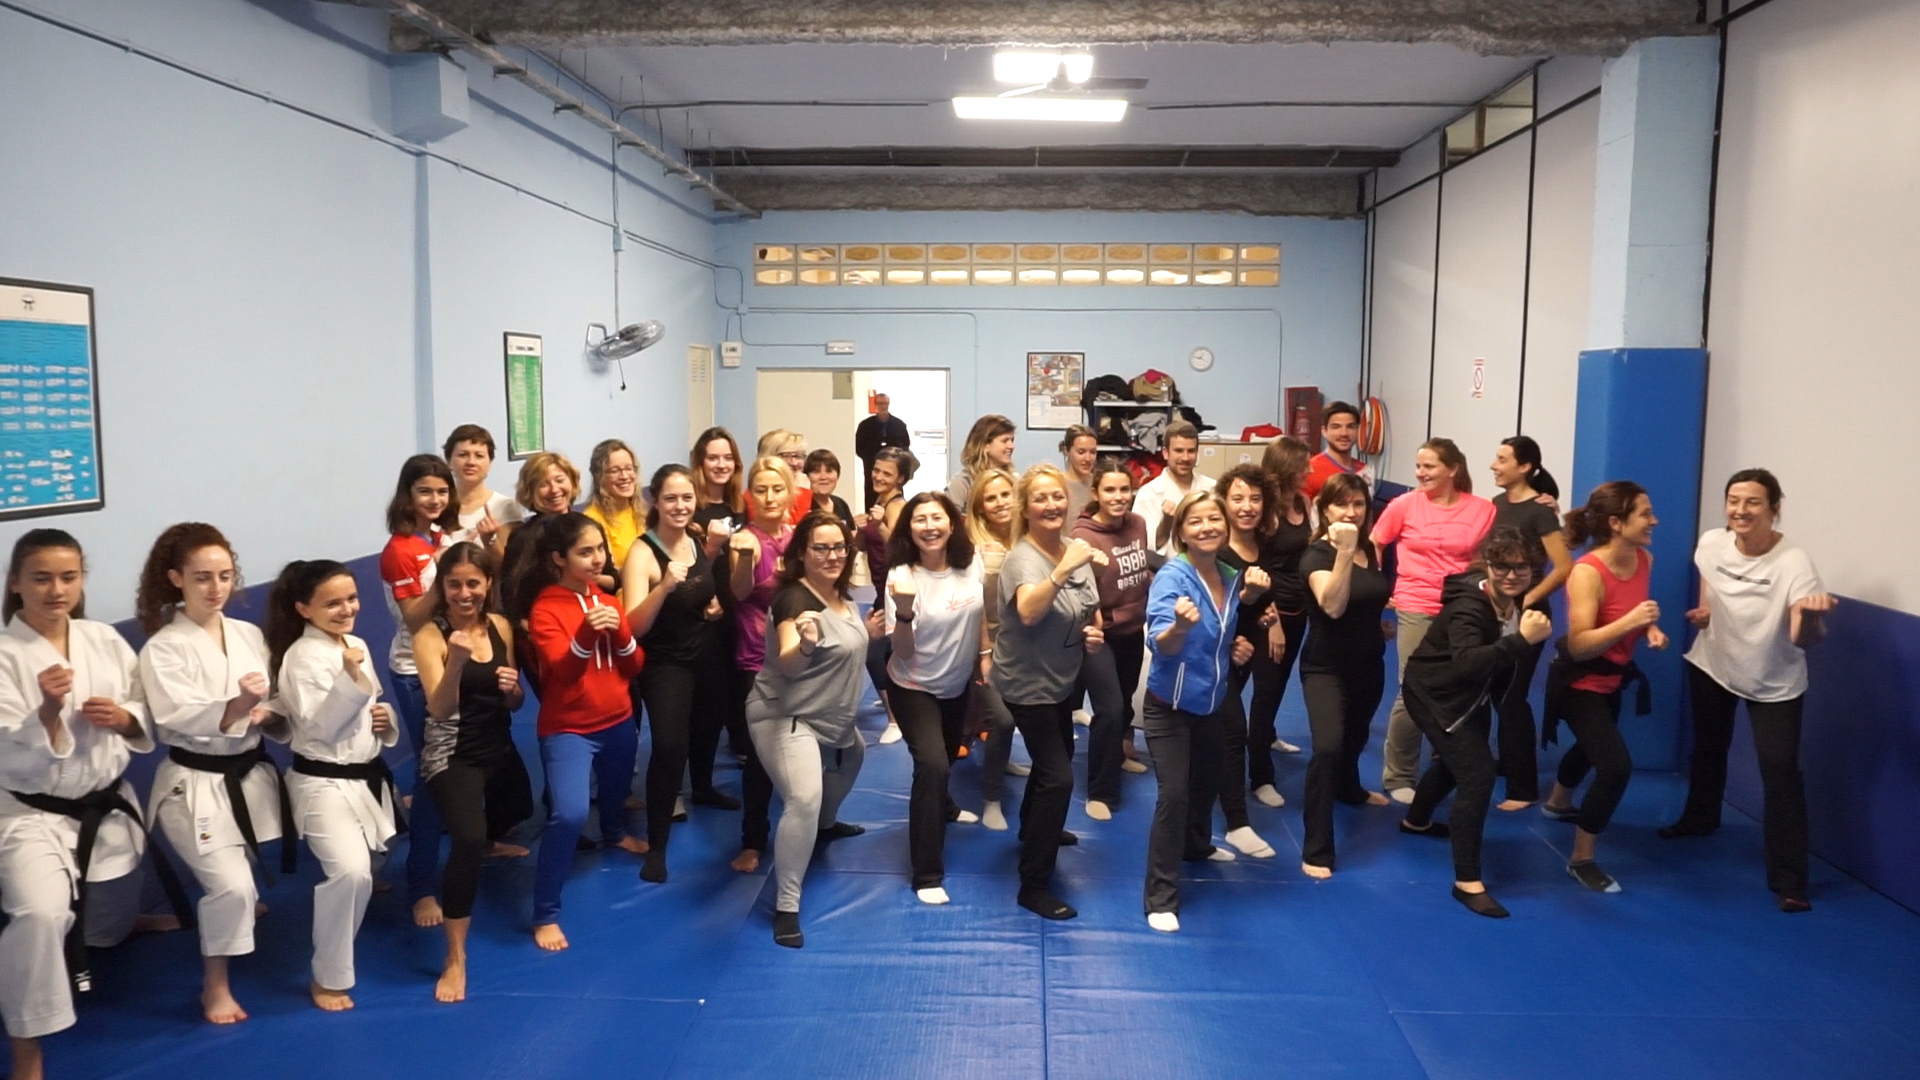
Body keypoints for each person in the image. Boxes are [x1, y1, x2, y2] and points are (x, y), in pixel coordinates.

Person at [1, 530, 161, 1080]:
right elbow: (7, 747)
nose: (56, 590)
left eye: (68, 577)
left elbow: (142, 702)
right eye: (41, 578)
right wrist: (47, 712)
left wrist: (126, 718)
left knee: (107, 925)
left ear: (82, 581)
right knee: (40, 915)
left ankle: (123, 922)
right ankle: (27, 1048)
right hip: (31, 814)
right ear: (15, 583)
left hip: (105, 804)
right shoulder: (5, 654)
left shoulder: (102, 639)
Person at [136, 523, 290, 1025]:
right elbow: (174, 716)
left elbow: (274, 699)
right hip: (195, 784)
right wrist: (239, 705)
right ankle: (215, 985)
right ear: (176, 578)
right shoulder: (162, 648)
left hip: (246, 773)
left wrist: (267, 711)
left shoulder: (247, 634)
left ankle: (236, 905)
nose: (216, 587)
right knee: (232, 888)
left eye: (224, 576)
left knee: (239, 875)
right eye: (202, 577)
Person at [1666, 469, 1833, 913]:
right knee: (1708, 748)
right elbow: (1711, 580)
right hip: (1714, 663)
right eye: (1734, 500)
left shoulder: (1794, 563)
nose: (1740, 510)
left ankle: (1789, 880)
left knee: (1780, 773)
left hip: (1773, 680)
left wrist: (1812, 617)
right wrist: (1705, 611)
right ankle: (1699, 818)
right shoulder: (1712, 543)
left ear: (1774, 509)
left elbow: (1803, 639)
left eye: (1753, 502)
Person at [1398, 528, 1556, 918]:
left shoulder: (1515, 602)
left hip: (1468, 693)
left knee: (1459, 761)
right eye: (1502, 566)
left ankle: (1416, 821)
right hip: (1433, 694)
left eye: (1521, 567)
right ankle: (1467, 882)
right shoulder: (1469, 606)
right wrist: (1523, 640)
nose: (1511, 575)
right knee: (1477, 773)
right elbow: (1468, 661)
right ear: (1487, 565)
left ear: (1533, 570)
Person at [267, 558, 400, 1012]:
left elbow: (372, 704)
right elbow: (321, 728)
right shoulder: (300, 658)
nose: (347, 609)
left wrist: (384, 719)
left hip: (363, 775)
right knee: (349, 872)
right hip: (321, 782)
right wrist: (350, 678)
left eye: (352, 599)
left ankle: (367, 878)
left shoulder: (354, 643)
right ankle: (328, 976)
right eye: (332, 603)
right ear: (304, 609)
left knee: (372, 861)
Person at [512, 514, 647, 950]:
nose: (596, 559)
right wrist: (587, 634)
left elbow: (633, 665)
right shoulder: (546, 608)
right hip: (569, 728)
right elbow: (562, 674)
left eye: (600, 549)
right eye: (584, 552)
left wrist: (620, 631)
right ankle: (545, 913)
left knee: (616, 787)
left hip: (618, 718)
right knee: (569, 814)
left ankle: (614, 832)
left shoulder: (606, 599)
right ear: (559, 558)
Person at [749, 512, 884, 947]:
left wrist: (868, 633)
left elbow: (844, 645)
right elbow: (789, 660)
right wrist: (805, 645)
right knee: (804, 797)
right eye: (820, 548)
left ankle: (825, 825)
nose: (831, 555)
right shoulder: (794, 600)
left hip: (830, 715)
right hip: (784, 715)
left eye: (838, 547)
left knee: (854, 756)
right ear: (802, 553)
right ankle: (786, 905)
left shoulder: (842, 596)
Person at [410, 543, 529, 1001]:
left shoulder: (499, 625)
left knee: (519, 808)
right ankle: (455, 956)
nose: (464, 593)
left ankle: (491, 837)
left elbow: (514, 702)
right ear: (442, 587)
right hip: (452, 753)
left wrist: (514, 690)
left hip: (496, 744)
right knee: (468, 839)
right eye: (454, 584)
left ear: (488, 584)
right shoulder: (430, 636)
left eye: (473, 583)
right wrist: (457, 662)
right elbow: (439, 709)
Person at [1141, 490, 1264, 932]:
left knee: (1209, 778)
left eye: (1214, 519)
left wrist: (1235, 646)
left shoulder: (1229, 575)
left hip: (1211, 700)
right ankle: (1160, 897)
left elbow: (1220, 629)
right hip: (1169, 707)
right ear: (1182, 532)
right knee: (1173, 795)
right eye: (1195, 521)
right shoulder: (1173, 577)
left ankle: (1196, 845)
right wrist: (1179, 627)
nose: (1207, 527)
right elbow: (1161, 643)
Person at [1539, 481, 1667, 894]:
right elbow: (1579, 644)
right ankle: (1582, 860)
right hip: (1578, 682)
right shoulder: (1587, 572)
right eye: (1645, 514)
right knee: (1614, 767)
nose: (1654, 521)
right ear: (1616, 523)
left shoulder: (1644, 559)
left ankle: (1557, 803)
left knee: (1589, 746)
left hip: (1613, 677)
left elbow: (1631, 612)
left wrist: (1649, 629)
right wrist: (1633, 622)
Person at [991, 464, 1107, 921]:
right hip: (1027, 683)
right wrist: (1062, 570)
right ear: (1025, 508)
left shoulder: (1071, 548)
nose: (1051, 504)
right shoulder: (1024, 558)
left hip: (1061, 677)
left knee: (1053, 762)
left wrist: (1092, 632)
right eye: (1040, 498)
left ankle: (1033, 827)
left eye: (1057, 496)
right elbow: (1029, 611)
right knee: (1059, 777)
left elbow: (1089, 608)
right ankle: (1033, 885)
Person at [622, 464, 736, 885]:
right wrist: (664, 587)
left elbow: (700, 587)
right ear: (655, 501)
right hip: (665, 662)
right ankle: (657, 846)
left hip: (704, 649)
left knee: (709, 726)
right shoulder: (642, 552)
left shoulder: (694, 539)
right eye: (670, 498)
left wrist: (711, 606)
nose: (680, 506)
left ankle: (702, 787)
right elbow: (634, 626)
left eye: (687, 498)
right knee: (670, 746)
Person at [1371, 438, 1496, 801]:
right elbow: (1375, 541)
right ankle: (1399, 774)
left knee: (1461, 687)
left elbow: (1488, 557)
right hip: (1416, 602)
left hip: (1464, 607)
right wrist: (1378, 587)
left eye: (1429, 467)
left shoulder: (1483, 509)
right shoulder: (1404, 505)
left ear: (1452, 469)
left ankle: (1449, 762)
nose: (1420, 473)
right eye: (1418, 466)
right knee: (1413, 689)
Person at [883, 492, 986, 905]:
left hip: (956, 684)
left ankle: (944, 806)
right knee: (932, 765)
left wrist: (984, 655)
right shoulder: (901, 576)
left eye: (936, 517)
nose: (929, 526)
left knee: (946, 756)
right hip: (914, 686)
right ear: (908, 529)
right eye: (920, 519)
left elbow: (978, 611)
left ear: (952, 523)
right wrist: (904, 610)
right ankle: (926, 875)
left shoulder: (970, 562)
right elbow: (902, 650)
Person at [1297, 474, 1394, 879]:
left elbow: (1372, 595)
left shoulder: (1369, 548)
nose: (1351, 512)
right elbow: (1333, 606)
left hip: (1369, 661)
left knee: (1355, 736)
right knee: (1327, 748)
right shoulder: (1316, 555)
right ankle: (1317, 847)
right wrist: (1344, 551)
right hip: (1325, 667)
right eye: (1341, 504)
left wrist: (1376, 624)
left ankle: (1349, 788)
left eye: (1358, 504)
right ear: (1324, 510)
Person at [378, 455, 458, 924]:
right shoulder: (400, 550)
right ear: (407, 494)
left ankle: (475, 842)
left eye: (442, 491)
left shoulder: (441, 537)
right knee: (432, 777)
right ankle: (421, 885)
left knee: (455, 767)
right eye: (425, 491)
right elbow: (413, 619)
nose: (435, 499)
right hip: (415, 671)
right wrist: (448, 577)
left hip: (451, 662)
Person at [1207, 463, 1288, 859]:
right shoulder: (1216, 551)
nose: (1247, 506)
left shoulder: (1263, 548)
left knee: (1227, 726)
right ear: (1224, 502)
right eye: (1238, 498)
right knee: (1231, 729)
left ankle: (1235, 786)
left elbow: (1261, 602)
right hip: (1216, 655)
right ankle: (1237, 823)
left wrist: (1268, 623)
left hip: (1246, 648)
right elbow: (1217, 612)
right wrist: (1250, 605)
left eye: (1255, 499)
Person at [1488, 436, 1573, 810]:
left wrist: (1530, 599)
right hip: (1499, 610)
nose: (1494, 465)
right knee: (1498, 691)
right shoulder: (1496, 504)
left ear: (1524, 467)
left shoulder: (1540, 511)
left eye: (1502, 459)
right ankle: (1508, 762)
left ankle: (1522, 788)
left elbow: (1564, 566)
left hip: (1528, 614)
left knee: (1512, 696)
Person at [725, 457, 797, 875]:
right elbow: (739, 592)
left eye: (777, 488)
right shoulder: (745, 539)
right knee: (760, 753)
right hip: (758, 657)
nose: (769, 497)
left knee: (810, 741)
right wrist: (743, 560)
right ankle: (752, 840)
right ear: (749, 494)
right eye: (761, 489)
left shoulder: (797, 537)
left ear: (790, 492)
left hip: (802, 653)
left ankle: (818, 819)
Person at [1074, 458, 1153, 822]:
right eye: (1110, 490)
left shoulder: (1137, 524)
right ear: (1096, 492)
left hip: (1133, 629)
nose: (1119, 496)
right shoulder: (1084, 536)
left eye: (1124, 489)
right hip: (1099, 634)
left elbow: (1141, 572)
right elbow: (1076, 589)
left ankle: (1117, 756)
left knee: (1125, 698)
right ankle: (1100, 791)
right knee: (1109, 709)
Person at [966, 468, 1030, 831]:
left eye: (1006, 494)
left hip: (1024, 646)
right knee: (1002, 720)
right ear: (980, 508)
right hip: (988, 646)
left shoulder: (1027, 539)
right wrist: (984, 653)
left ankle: (1001, 760)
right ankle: (992, 799)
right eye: (991, 498)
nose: (1000, 502)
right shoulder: (975, 549)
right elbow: (975, 606)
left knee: (1017, 717)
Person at [864, 446, 915, 745]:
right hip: (880, 587)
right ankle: (895, 699)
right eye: (876, 470)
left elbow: (899, 549)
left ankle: (895, 719)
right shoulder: (880, 501)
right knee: (885, 651)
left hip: (893, 590)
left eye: (887, 473)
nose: (879, 477)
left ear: (901, 479)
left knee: (873, 652)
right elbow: (866, 546)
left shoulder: (895, 506)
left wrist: (880, 525)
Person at [498, 451, 582, 623]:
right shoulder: (524, 537)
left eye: (560, 480)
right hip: (545, 623)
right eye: (543, 484)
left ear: (572, 482)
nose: (554, 490)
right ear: (530, 491)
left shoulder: (586, 526)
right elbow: (512, 595)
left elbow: (611, 578)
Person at [1135, 420, 1215, 556]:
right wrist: (1166, 522)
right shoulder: (1149, 493)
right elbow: (1146, 545)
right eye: (1179, 451)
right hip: (1167, 567)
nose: (1185, 458)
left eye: (1191, 451)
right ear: (1166, 453)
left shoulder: (1212, 487)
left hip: (1206, 564)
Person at [444, 424, 525, 550]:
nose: (471, 462)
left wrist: (489, 541)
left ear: (490, 463)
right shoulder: (438, 505)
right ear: (449, 461)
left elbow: (511, 560)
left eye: (479, 456)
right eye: (463, 455)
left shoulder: (505, 507)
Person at [583, 439, 646, 584]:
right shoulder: (592, 521)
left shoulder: (640, 511)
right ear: (600, 478)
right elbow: (601, 576)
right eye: (615, 471)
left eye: (629, 468)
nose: (625, 476)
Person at [1302, 400, 1375, 500]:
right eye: (1336, 427)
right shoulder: (1309, 470)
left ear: (1358, 430)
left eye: (1351, 427)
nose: (1344, 433)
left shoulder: (1365, 470)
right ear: (1324, 431)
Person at [690, 427, 747, 556]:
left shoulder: (741, 505)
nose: (722, 465)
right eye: (713, 458)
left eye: (728, 458)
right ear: (700, 462)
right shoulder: (690, 507)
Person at [854, 391, 911, 507]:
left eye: (885, 403)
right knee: (871, 501)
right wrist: (871, 459)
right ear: (875, 404)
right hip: (871, 469)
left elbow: (905, 446)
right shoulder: (865, 425)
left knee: (894, 500)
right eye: (880, 403)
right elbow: (859, 448)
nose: (882, 406)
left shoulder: (899, 425)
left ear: (888, 404)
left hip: (893, 469)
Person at [948, 414, 1016, 508]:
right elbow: (951, 516)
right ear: (985, 445)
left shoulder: (1014, 481)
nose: (1011, 446)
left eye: (1012, 440)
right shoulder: (961, 484)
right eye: (1005, 441)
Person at [803, 449, 857, 531]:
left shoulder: (841, 504)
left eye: (829, 471)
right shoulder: (803, 506)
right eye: (816, 472)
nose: (823, 477)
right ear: (806, 476)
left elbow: (850, 535)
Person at [1058, 424, 1099, 512]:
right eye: (1081, 452)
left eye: (1093, 452)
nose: (1088, 459)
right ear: (1066, 451)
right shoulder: (1057, 483)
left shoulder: (1099, 484)